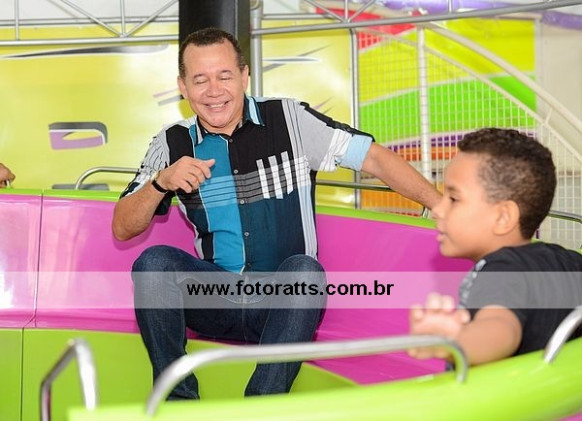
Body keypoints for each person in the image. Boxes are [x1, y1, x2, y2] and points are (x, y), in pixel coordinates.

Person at [113, 27, 441, 400]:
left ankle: (261, 406)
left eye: (224, 76)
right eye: (200, 80)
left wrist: (439, 203)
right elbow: (122, 228)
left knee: (305, 271)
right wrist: (161, 183)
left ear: (244, 76)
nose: (214, 90)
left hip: (281, 304)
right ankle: (178, 402)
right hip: (214, 299)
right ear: (183, 87)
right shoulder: (171, 142)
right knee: (154, 262)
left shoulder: (290, 118)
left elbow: (373, 158)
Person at [409, 128, 582, 366]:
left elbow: (501, 330)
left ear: (503, 217)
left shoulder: (499, 270)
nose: (438, 209)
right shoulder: (567, 261)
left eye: (454, 199)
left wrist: (455, 341)